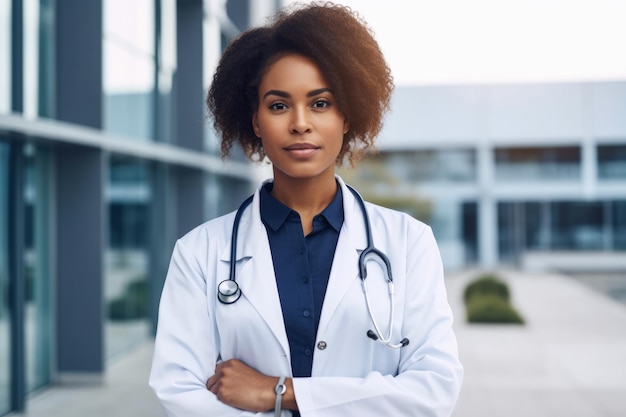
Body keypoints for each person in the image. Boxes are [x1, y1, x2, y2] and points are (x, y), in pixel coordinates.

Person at [149, 2, 463, 416]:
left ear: (347, 116)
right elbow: (179, 389)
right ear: (256, 121)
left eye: (320, 103)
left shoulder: (408, 243)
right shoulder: (200, 253)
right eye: (279, 105)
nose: (300, 123)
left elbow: (434, 389)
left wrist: (280, 392)